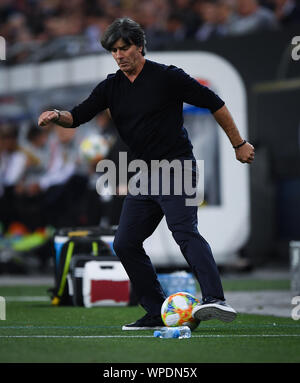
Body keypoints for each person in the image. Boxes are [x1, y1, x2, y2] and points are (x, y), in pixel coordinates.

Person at [38, 17, 255, 330]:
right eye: (113, 50)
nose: (119, 55)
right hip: (143, 173)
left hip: (176, 166)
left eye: (123, 48)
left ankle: (215, 298)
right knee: (125, 242)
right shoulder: (110, 87)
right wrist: (58, 115)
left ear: (139, 46)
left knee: (183, 231)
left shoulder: (168, 77)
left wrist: (239, 143)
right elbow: (79, 116)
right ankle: (156, 311)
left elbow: (215, 103)